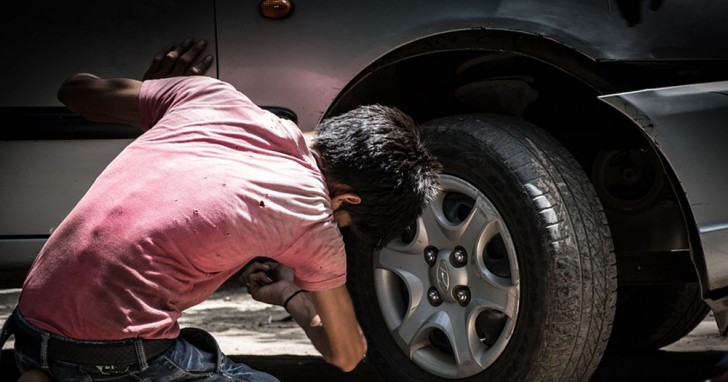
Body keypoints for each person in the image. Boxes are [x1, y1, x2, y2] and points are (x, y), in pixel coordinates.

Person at [3, 38, 441, 381]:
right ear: (346, 199)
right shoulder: (314, 218)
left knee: (194, 345)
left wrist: (156, 101)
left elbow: (75, 91)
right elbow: (346, 354)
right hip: (109, 358)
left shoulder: (209, 96)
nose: (337, 224)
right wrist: (291, 296)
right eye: (344, 220)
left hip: (25, 329)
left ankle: (47, 371)